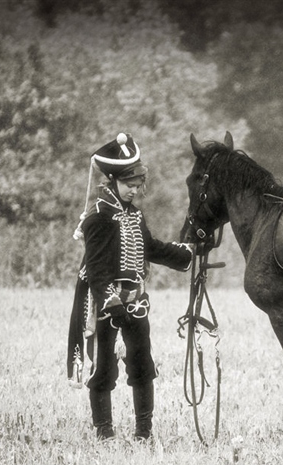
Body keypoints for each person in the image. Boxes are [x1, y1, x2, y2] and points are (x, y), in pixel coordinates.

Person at [66, 132, 193, 441]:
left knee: (142, 366)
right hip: (106, 304)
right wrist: (112, 304)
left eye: (138, 185)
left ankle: (144, 433)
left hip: (136, 302)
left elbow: (151, 248)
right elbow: (96, 270)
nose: (136, 190)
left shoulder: (134, 214)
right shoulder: (98, 217)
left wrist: (188, 253)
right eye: (130, 185)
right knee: (104, 369)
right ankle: (105, 434)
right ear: (113, 181)